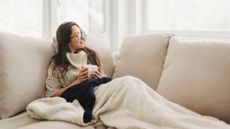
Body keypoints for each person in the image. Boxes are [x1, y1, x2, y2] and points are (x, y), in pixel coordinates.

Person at [45, 21, 111, 123]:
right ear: (67, 41)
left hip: (102, 90)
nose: (83, 37)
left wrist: (100, 76)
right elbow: (51, 93)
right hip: (89, 96)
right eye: (78, 35)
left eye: (82, 33)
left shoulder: (93, 55)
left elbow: (106, 81)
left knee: (129, 83)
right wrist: (77, 81)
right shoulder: (56, 63)